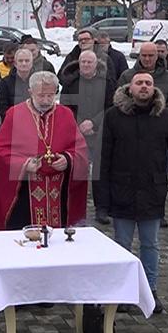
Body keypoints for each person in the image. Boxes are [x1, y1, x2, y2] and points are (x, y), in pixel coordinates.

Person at [101, 72, 168, 314]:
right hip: (122, 190)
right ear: (130, 88)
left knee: (150, 245)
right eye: (139, 83)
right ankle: (121, 293)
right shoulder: (113, 116)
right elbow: (103, 158)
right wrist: (101, 199)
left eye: (148, 84)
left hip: (153, 191)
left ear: (154, 89)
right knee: (121, 245)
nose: (144, 87)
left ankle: (150, 291)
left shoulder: (166, 117)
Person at [0, 71, 88, 230]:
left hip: (57, 190)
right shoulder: (15, 114)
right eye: (41, 95)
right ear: (30, 92)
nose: (46, 100)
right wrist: (24, 164)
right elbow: (1, 150)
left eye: (50, 95)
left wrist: (67, 159)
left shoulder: (65, 114)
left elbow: (79, 148)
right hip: (25, 189)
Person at [60, 50, 114, 224]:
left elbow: (111, 107)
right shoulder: (71, 82)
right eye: (83, 62)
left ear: (96, 64)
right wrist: (80, 123)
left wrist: (94, 123)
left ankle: (102, 208)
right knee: (77, 172)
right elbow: (65, 107)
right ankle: (74, 209)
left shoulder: (107, 82)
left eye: (89, 62)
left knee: (101, 172)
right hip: (77, 133)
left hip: (101, 133)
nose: (86, 65)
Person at [118, 42, 168, 114]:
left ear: (157, 56)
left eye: (151, 55)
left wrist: (164, 117)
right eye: (144, 55)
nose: (147, 59)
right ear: (139, 56)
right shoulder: (126, 76)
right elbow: (120, 98)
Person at [0, 47, 33, 121]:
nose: (24, 63)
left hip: (34, 123)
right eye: (20, 61)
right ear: (15, 63)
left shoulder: (37, 81)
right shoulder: (5, 82)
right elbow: (2, 107)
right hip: (12, 123)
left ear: (31, 63)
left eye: (27, 61)